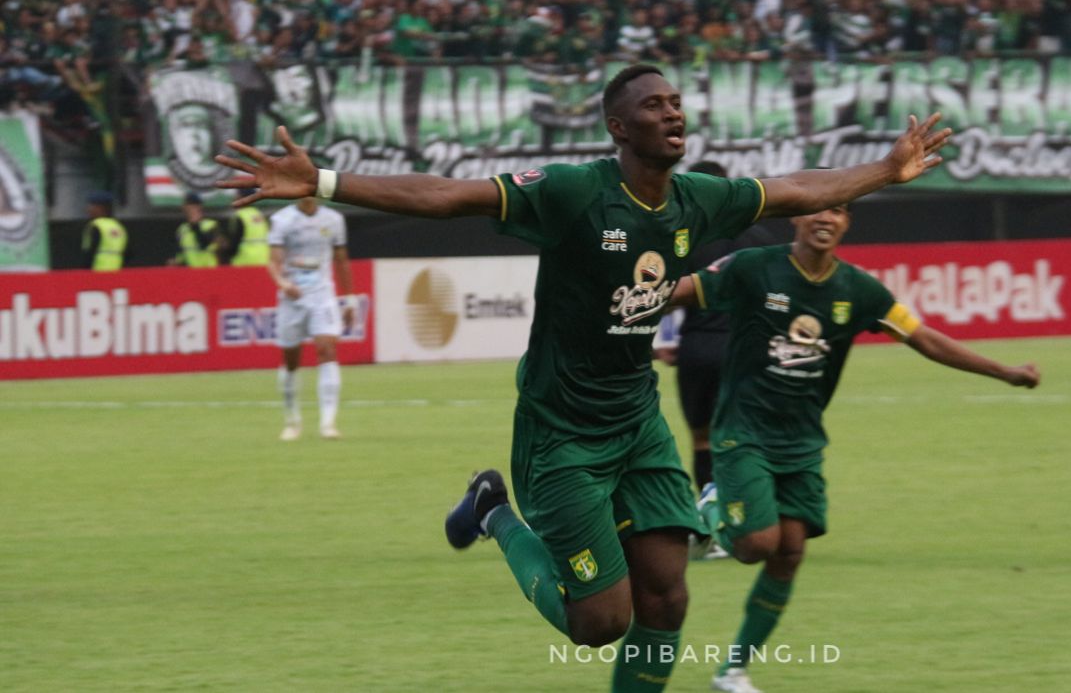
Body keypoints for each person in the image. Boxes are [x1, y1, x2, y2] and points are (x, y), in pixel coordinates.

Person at [217, 63, 951, 692]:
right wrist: (322, 179)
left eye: (675, 103)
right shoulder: (572, 192)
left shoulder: (699, 197)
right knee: (601, 622)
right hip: (561, 432)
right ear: (617, 128)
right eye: (653, 106)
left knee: (667, 598)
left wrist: (886, 169)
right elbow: (447, 196)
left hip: (637, 424)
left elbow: (794, 188)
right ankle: (494, 510)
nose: (673, 112)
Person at [668, 204, 1040, 693]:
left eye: (839, 210)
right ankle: (713, 501)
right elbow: (679, 292)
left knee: (791, 553)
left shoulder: (858, 289)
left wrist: (1005, 371)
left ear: (846, 224)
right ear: (796, 219)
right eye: (815, 209)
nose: (826, 217)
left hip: (802, 441)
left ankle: (732, 669)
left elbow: (923, 338)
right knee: (756, 545)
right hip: (744, 430)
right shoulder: (756, 267)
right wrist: (608, 306)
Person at [675, 161, 775, 495]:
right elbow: (773, 298)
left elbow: (662, 294)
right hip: (743, 350)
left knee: (702, 438)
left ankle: (709, 519)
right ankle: (744, 514)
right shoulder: (759, 237)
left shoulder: (686, 237)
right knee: (741, 436)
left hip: (697, 349)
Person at [267, 196, 356, 441]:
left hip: (322, 295)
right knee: (291, 361)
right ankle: (292, 421)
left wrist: (350, 300)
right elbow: (273, 263)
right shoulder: (282, 219)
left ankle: (328, 423)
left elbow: (341, 261)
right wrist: (283, 283)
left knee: (327, 349)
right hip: (292, 297)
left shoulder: (333, 220)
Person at [218, 188, 271, 266]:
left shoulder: (240, 216)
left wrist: (226, 255)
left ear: (242, 198)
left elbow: (235, 241)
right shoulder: (258, 214)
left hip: (246, 260)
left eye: (237, 195)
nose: (234, 198)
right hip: (263, 258)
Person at [81, 189, 127, 271]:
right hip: (117, 274)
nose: (88, 209)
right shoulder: (118, 227)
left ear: (101, 208)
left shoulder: (96, 226)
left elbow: (89, 253)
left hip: (97, 273)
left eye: (92, 206)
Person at [169, 192, 219, 267]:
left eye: (195, 206)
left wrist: (195, 225)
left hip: (209, 272)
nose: (193, 209)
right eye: (189, 205)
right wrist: (175, 261)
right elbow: (181, 254)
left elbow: (204, 244)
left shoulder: (211, 225)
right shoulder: (182, 230)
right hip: (192, 274)